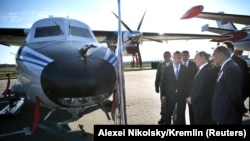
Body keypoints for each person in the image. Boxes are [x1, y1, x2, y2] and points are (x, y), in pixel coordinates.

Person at [212, 46, 245, 124]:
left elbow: (236, 95)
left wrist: (239, 112)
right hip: (225, 115)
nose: (212, 58)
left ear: (221, 55)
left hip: (229, 116)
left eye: (213, 55)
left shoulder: (230, 68)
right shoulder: (227, 67)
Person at [186, 51, 217, 124]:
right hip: (200, 106)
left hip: (203, 108)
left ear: (202, 58)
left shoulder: (207, 71)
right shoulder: (203, 69)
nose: (194, 60)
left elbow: (203, 91)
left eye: (196, 58)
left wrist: (192, 99)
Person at [161, 51, 188, 125]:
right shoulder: (168, 69)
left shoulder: (185, 69)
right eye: (175, 58)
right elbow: (164, 83)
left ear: (181, 58)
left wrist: (187, 95)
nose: (177, 60)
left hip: (181, 95)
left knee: (181, 113)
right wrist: (163, 95)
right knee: (168, 112)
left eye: (179, 58)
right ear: (172, 58)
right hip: (170, 94)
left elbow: (187, 83)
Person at [223, 41, 250, 113]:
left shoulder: (240, 62)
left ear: (230, 49)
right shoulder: (223, 62)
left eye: (224, 48)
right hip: (225, 98)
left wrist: (242, 97)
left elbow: (246, 80)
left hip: (237, 97)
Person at [155, 51, 172, 124]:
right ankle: (163, 118)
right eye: (165, 56)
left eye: (168, 56)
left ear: (170, 56)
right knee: (163, 103)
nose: (166, 57)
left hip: (172, 87)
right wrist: (156, 86)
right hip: (163, 87)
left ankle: (174, 118)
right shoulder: (160, 65)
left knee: (173, 103)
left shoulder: (174, 64)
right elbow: (158, 76)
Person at [181, 50, 197, 125]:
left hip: (191, 92)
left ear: (189, 56)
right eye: (183, 55)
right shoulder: (177, 64)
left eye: (186, 55)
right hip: (181, 93)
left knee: (192, 112)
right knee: (180, 112)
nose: (184, 56)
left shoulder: (194, 65)